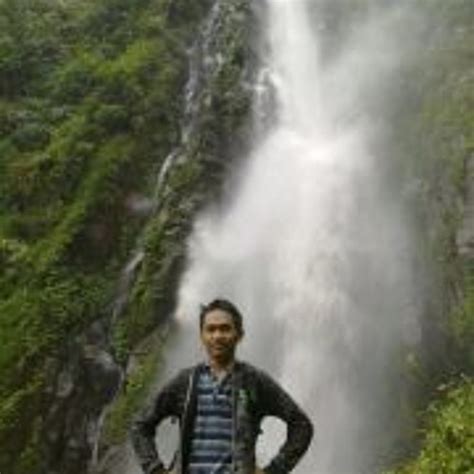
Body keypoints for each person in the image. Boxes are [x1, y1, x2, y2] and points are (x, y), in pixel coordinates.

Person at [130, 298, 313, 474]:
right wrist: (155, 470)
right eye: (211, 329)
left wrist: (274, 470)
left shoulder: (254, 381)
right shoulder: (185, 381)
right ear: (202, 335)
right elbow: (140, 425)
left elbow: (301, 425)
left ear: (239, 334)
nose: (217, 336)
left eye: (225, 329)